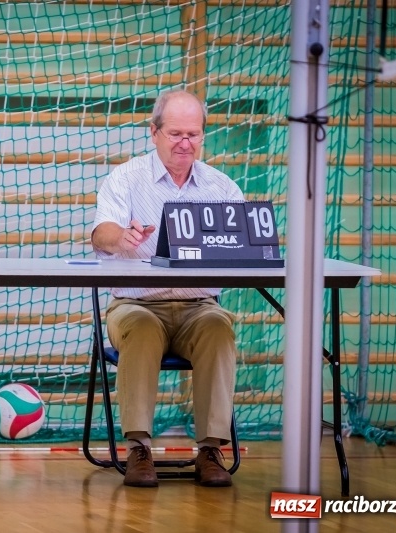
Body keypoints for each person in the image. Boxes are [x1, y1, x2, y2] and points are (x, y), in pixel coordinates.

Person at [91, 89, 244, 488]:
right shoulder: (125, 178)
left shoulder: (222, 187)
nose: (185, 143)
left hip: (199, 306)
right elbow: (100, 232)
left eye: (193, 134)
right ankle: (139, 448)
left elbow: (243, 250)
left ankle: (210, 450)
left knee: (219, 327)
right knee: (140, 328)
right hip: (135, 305)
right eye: (176, 133)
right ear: (154, 132)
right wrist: (121, 237)